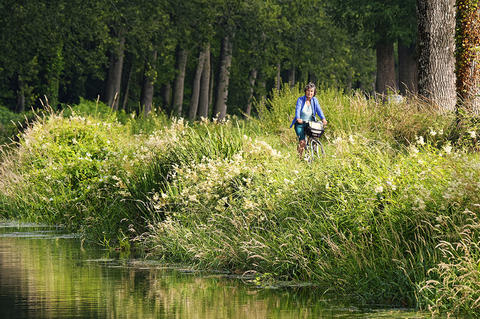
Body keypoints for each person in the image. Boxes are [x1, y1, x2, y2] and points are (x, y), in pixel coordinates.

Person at [290, 82, 327, 158]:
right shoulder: (300, 100)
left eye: (311, 91)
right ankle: (299, 157)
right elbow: (298, 109)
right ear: (305, 91)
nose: (309, 93)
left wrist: (323, 118)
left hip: (310, 124)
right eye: (308, 90)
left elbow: (319, 110)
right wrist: (298, 118)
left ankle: (314, 154)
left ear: (314, 93)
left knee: (314, 137)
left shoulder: (315, 100)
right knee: (302, 142)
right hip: (300, 124)